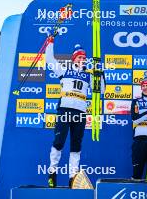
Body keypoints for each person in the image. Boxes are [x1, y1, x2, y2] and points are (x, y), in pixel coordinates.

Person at [45, 36, 105, 187]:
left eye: (84, 57)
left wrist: (100, 73)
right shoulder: (64, 70)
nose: (82, 59)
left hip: (80, 113)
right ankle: (52, 172)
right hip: (65, 110)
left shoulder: (89, 75)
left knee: (76, 145)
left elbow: (102, 90)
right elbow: (49, 59)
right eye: (79, 57)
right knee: (59, 142)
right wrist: (50, 43)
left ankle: (73, 177)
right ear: (73, 59)